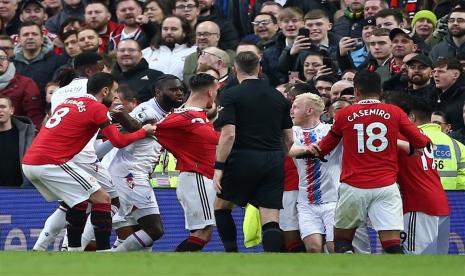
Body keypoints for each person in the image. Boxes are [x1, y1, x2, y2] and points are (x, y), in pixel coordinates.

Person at [22, 72, 157, 251]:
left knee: (79, 203)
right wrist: (143, 132)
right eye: (115, 91)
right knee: (103, 198)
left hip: (31, 161)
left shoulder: (69, 102)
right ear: (105, 90)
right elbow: (118, 141)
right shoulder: (96, 108)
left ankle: (69, 251)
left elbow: (79, 127)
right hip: (51, 162)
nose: (116, 96)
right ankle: (102, 251)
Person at [309, 70, 429, 254]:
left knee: (342, 241)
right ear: (380, 90)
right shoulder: (394, 112)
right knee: (392, 244)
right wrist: (411, 148)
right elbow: (421, 142)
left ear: (356, 91)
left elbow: (324, 148)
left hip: (353, 186)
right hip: (386, 186)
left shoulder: (345, 114)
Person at [213, 51, 294, 252]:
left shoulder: (231, 94)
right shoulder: (278, 96)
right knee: (270, 215)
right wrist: (279, 156)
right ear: (260, 69)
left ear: (235, 69)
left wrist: (219, 166)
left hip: (243, 157)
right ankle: (271, 263)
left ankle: (231, 254)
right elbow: (289, 138)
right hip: (273, 158)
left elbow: (229, 134)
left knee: (221, 206)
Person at [109, 74, 185, 251]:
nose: (179, 93)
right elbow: (132, 125)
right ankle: (110, 259)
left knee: (138, 234)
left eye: (181, 89)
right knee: (154, 230)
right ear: (158, 92)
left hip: (136, 173)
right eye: (173, 90)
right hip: (130, 173)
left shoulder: (171, 112)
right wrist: (120, 113)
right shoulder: (148, 109)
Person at [155, 73, 219, 251]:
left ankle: (177, 266)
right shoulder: (185, 116)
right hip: (195, 177)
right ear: (210, 92)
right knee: (203, 233)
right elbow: (154, 129)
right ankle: (171, 266)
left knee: (201, 233)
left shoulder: (196, 114)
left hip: (199, 177)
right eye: (215, 90)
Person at [387, 95, 451, 254]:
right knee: (437, 262)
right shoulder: (422, 137)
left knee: (415, 259)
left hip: (419, 204)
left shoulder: (396, 136)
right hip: (439, 203)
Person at [289, 93, 341, 253]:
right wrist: (307, 149)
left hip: (334, 200)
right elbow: (287, 150)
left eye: (296, 106)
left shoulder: (331, 131)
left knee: (334, 248)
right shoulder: (291, 132)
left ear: (309, 110)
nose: (291, 110)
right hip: (306, 202)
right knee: (313, 248)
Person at [0, 48, 44, 129]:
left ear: (9, 62)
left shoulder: (26, 83)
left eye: (2, 58)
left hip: (16, 135)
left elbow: (35, 116)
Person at [142, 15, 196, 80]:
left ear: (184, 32)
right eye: (165, 29)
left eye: (174, 29)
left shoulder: (194, 51)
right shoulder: (148, 52)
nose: (169, 32)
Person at [0, 95, 36, 187]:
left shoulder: (28, 134)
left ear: (11, 110)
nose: (0, 110)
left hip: (21, 193)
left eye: (3, 107)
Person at [433, 57, 465, 131]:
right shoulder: (433, 93)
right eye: (434, 71)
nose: (435, 75)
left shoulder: (462, 97)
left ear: (456, 75)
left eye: (441, 71)